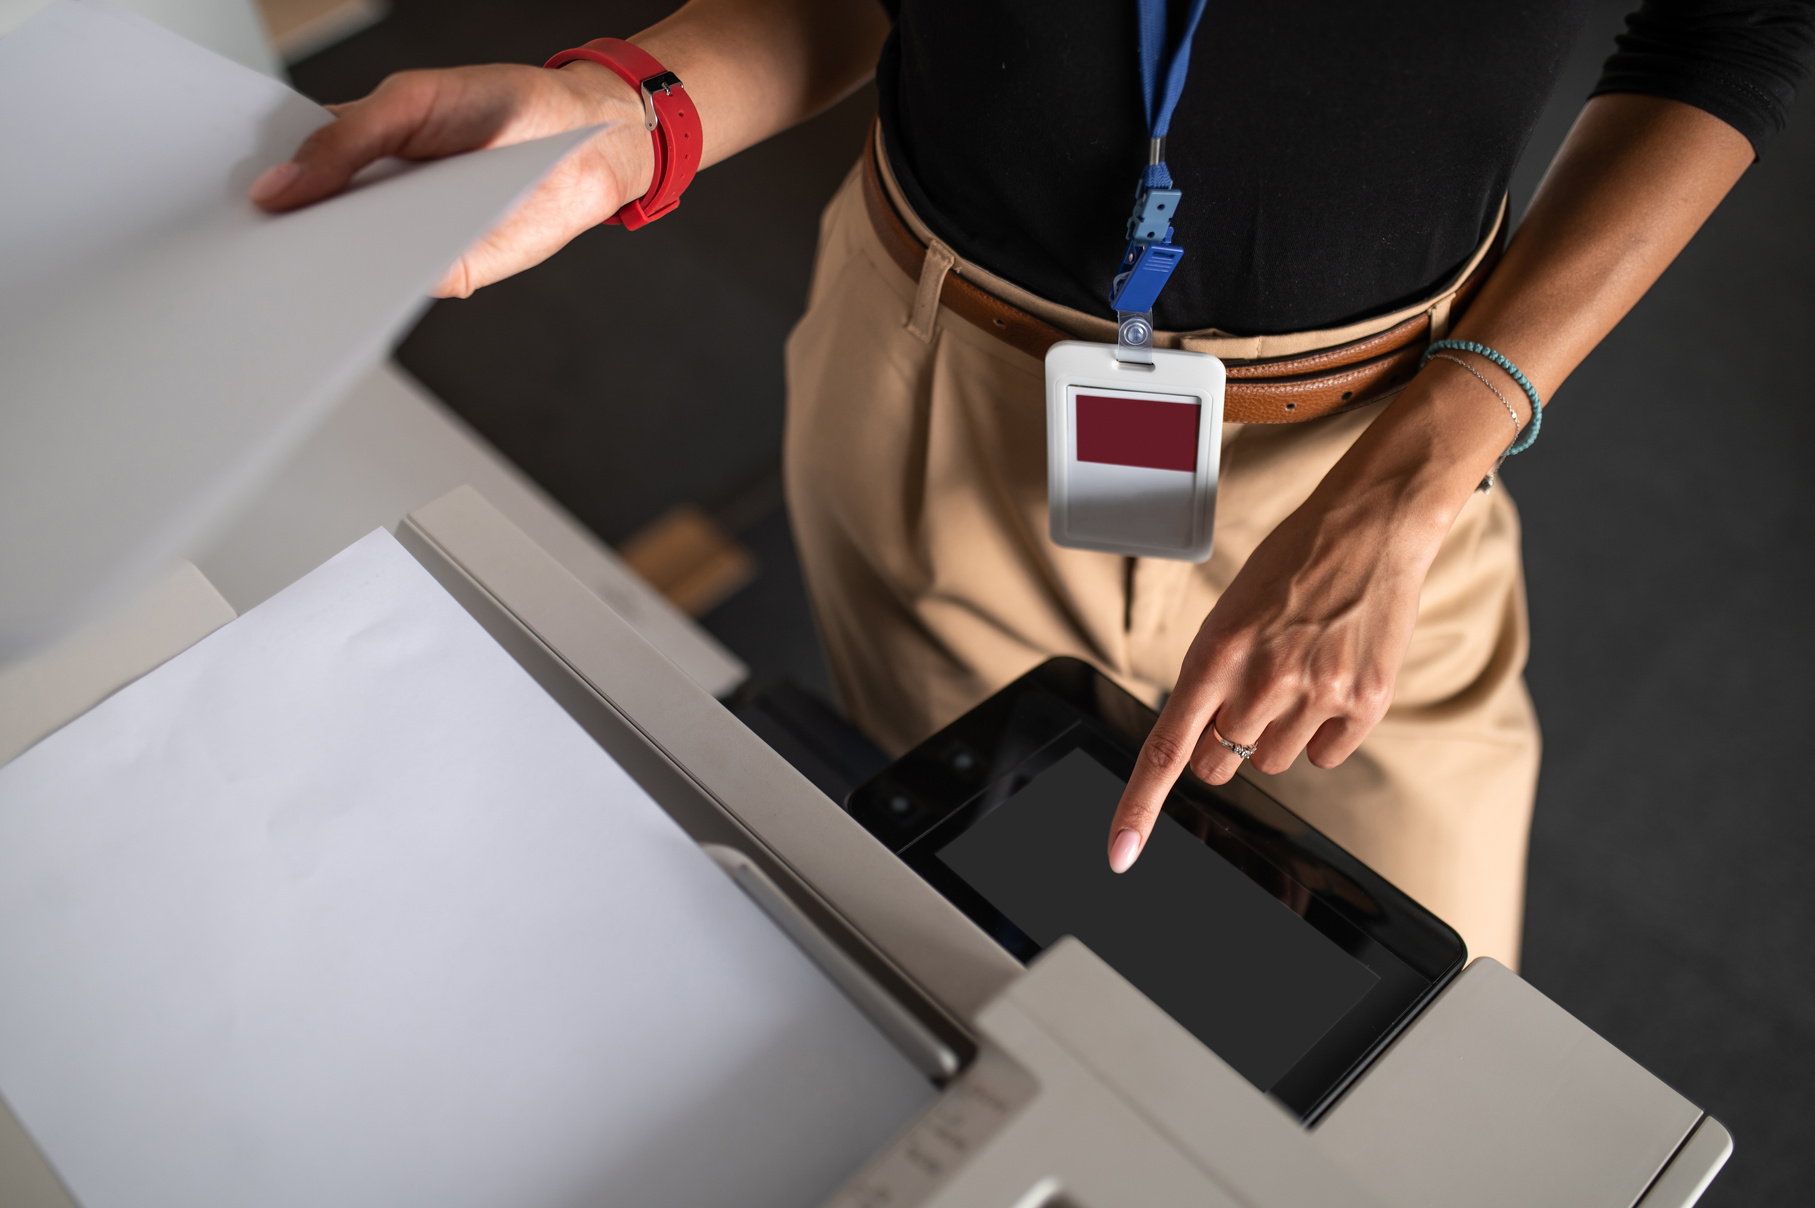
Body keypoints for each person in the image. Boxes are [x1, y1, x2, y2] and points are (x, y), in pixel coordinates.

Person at [252, 0, 1813, 968]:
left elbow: (1728, 30)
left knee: (1437, 1080)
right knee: (1029, 971)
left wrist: (1415, 483)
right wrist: (625, 119)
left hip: (1383, 459)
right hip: (946, 403)